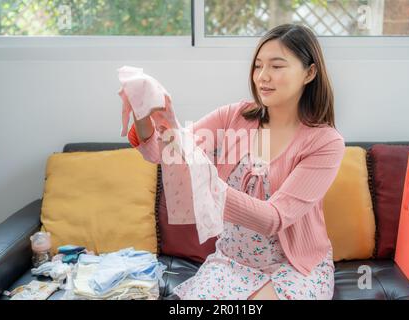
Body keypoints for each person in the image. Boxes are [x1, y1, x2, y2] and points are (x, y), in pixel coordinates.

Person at [127, 23, 345, 300]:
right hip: (232, 262)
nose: (263, 77)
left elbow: (274, 219)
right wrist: (144, 114)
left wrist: (207, 182)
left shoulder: (325, 143)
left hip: (293, 268)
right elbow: (164, 153)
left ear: (309, 73)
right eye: (258, 66)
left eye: (277, 67)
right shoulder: (235, 117)